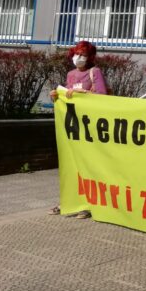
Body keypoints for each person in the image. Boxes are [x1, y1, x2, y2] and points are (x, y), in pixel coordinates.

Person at [48, 40, 108, 219]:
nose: (79, 57)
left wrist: (82, 94)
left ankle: (89, 205)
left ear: (90, 57)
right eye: (76, 54)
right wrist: (56, 96)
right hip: (74, 127)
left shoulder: (94, 72)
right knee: (73, 167)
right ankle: (68, 202)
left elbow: (102, 96)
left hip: (90, 128)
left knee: (89, 166)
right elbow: (67, 96)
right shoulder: (71, 74)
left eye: (83, 54)